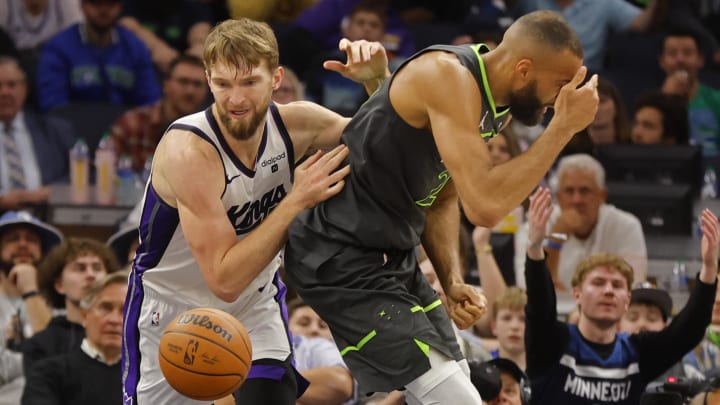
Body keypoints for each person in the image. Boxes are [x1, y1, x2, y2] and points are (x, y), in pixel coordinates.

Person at [284, 10, 599, 405]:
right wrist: (562, 131)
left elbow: (443, 194)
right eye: (559, 85)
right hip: (337, 252)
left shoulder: (494, 102)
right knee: (456, 398)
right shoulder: (448, 77)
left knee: (460, 382)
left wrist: (451, 279)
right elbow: (484, 207)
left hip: (389, 255)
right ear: (523, 69)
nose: (559, 100)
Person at [121, 18, 390, 405]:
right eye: (223, 84)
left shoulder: (298, 124)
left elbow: (387, 144)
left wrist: (378, 83)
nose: (236, 99)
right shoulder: (189, 153)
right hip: (173, 311)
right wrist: (296, 200)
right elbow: (224, 278)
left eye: (249, 82)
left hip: (253, 301)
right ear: (208, 79)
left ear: (276, 78)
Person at [524, 187, 718, 404]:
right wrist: (534, 249)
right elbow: (539, 306)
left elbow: (688, 330)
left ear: (626, 300)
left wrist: (709, 269)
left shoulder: (637, 353)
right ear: (577, 294)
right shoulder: (553, 342)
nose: (608, 290)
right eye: (598, 283)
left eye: (617, 285)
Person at [542, 153, 647, 290]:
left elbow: (632, 285)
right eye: (569, 191)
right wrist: (555, 240)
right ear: (559, 197)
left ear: (602, 196)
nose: (576, 200)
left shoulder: (627, 226)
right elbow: (531, 290)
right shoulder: (538, 225)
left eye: (584, 191)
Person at [21, 271, 127, 405]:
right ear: (84, 315)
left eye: (125, 310)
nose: (115, 320)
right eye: (106, 308)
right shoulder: (48, 373)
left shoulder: (146, 379)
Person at [36, 0, 161, 111]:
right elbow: (53, 105)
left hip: (125, 129)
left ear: (120, 7)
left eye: (110, 4)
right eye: (96, 3)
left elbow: (150, 101)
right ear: (82, 6)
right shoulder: (58, 47)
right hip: (72, 128)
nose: (104, 10)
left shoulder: (135, 47)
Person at [22, 237, 120, 372]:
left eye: (97, 268)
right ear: (59, 285)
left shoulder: (125, 336)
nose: (91, 275)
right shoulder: (41, 345)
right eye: (80, 268)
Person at [0, 210, 62, 403]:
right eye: (13, 238)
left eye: (31, 239)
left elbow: (64, 364)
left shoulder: (62, 302)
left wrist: (31, 291)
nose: (23, 244)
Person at [109, 54, 209, 173]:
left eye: (197, 84)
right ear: (166, 86)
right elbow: (105, 174)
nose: (190, 91)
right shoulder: (132, 124)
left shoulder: (212, 134)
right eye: (183, 82)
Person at [0, 55, 76, 211]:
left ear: (25, 89)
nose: (4, 92)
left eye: (12, 85)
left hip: (47, 218)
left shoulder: (55, 130)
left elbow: (83, 173)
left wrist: (54, 192)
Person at [658, 27, 720, 156]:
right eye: (672, 53)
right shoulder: (651, 105)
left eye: (688, 53)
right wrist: (665, 100)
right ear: (662, 62)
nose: (680, 60)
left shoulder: (717, 101)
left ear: (700, 60)